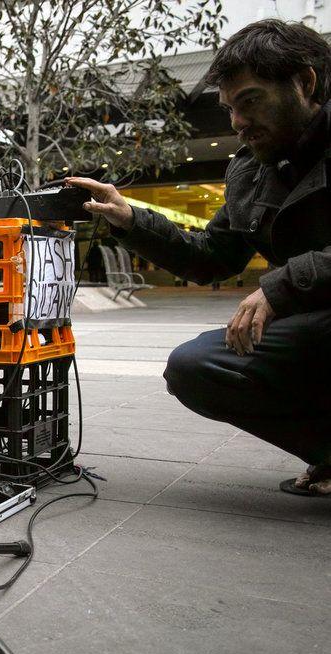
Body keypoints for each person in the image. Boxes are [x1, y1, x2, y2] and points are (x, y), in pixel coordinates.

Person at [67, 19, 331, 496]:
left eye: (249, 101)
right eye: (229, 108)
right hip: (315, 325)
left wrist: (280, 286)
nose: (237, 122)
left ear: (306, 83)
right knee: (196, 366)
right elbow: (212, 257)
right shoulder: (251, 172)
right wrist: (131, 219)